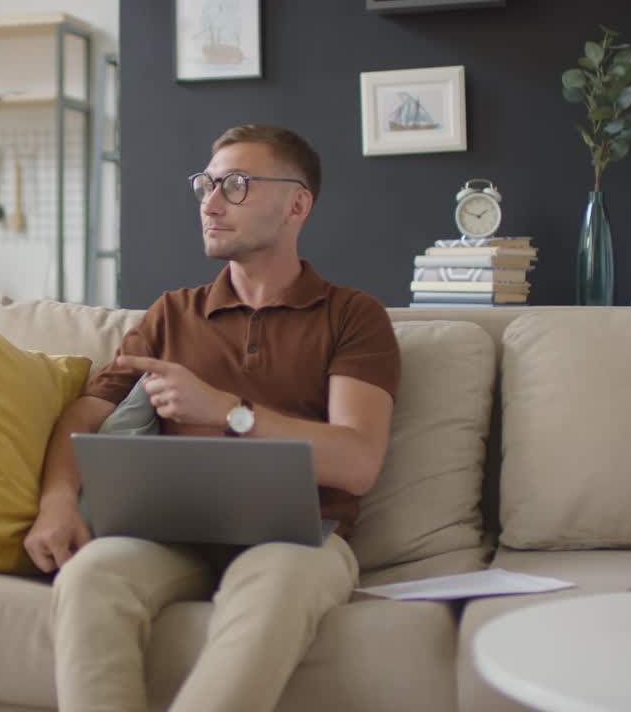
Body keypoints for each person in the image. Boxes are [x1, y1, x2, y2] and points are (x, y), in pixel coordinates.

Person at [23, 123, 401, 712]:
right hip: (168, 535)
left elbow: (356, 462)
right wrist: (56, 501)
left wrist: (227, 411)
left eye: (237, 185)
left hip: (301, 539)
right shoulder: (172, 313)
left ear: (296, 204)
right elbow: (87, 413)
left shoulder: (352, 316)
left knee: (274, 589)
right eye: (207, 183)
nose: (210, 202)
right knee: (89, 577)